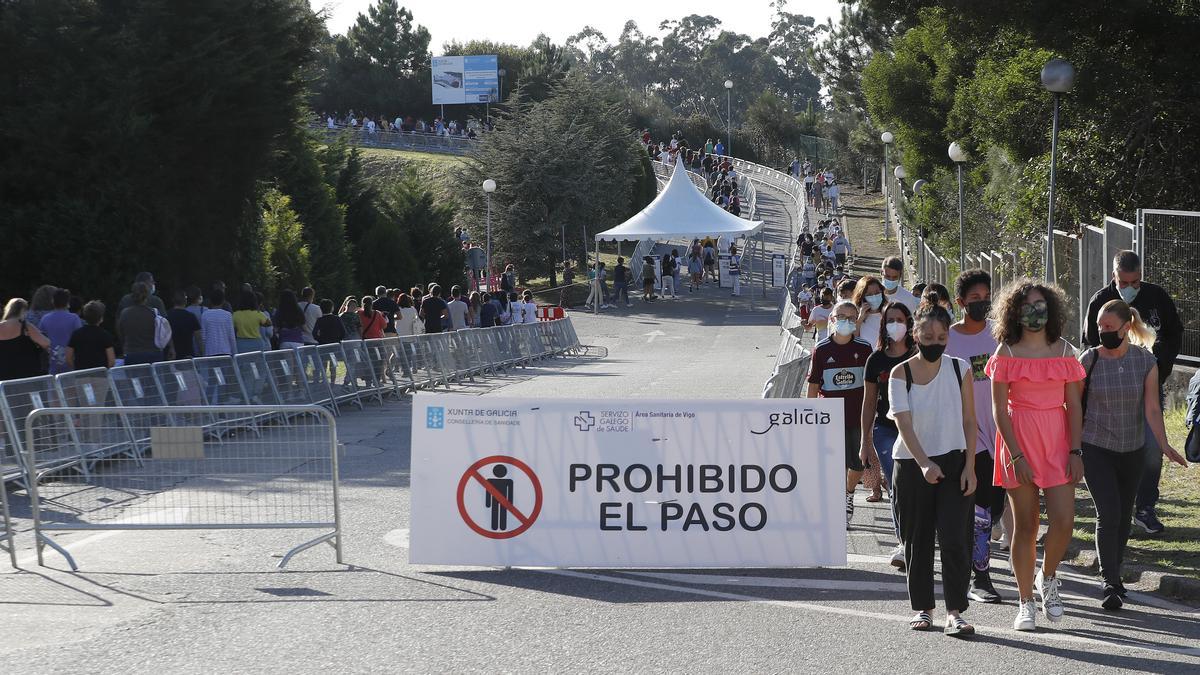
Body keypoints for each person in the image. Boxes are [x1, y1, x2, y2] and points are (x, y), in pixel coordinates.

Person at [986, 279, 1086, 631]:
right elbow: (998, 410)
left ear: (1051, 308)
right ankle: (1025, 601)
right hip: (1018, 442)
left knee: (1064, 521)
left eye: (1041, 304)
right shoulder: (1005, 353)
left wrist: (1076, 450)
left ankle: (1049, 577)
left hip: (1058, 441)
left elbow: (1074, 405)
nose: (1035, 311)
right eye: (1027, 305)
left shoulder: (1065, 351)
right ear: (1014, 312)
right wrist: (1015, 455)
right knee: (1026, 527)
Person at [1080, 299, 1187, 609]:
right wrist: (1073, 448)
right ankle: (1109, 581)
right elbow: (1073, 407)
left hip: (1132, 450)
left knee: (1124, 517)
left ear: (1126, 328)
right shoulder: (1089, 360)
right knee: (1109, 512)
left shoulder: (1145, 362)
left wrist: (1165, 445)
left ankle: (1116, 573)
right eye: (1100, 326)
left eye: (1109, 327)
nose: (1102, 332)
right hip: (1095, 445)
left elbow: (1152, 408)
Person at [889, 293, 977, 636]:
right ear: (915, 336)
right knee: (918, 539)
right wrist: (924, 462)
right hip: (912, 463)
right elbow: (903, 422)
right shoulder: (900, 373)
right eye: (927, 338)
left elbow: (970, 421)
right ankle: (923, 608)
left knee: (956, 537)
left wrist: (970, 465)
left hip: (954, 461)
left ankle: (956, 612)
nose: (935, 344)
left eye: (941, 338)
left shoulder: (960, 369)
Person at [1082, 250, 1183, 535]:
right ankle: (1114, 507)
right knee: (1112, 451)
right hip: (1107, 395)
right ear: (1114, 276)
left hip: (1147, 386)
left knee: (1151, 449)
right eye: (1124, 282)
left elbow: (1174, 332)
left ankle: (1145, 508)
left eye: (1136, 282)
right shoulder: (1100, 301)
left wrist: (1158, 365)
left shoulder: (1156, 297)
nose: (1131, 288)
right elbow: (1090, 344)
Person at [946, 269, 1004, 604]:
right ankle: (979, 577)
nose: (982, 304)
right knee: (981, 507)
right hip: (968, 435)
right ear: (960, 303)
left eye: (986, 298)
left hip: (1001, 432)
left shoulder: (999, 336)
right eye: (974, 300)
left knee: (994, 506)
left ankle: (972, 560)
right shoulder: (949, 339)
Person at [807, 300, 873, 528]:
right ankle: (837, 504)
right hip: (830, 417)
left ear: (856, 321)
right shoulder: (822, 350)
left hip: (858, 416)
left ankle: (848, 493)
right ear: (831, 318)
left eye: (851, 317)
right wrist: (811, 414)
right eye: (841, 316)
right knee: (835, 464)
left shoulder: (864, 349)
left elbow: (871, 385)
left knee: (858, 464)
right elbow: (814, 385)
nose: (845, 321)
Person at [861, 301, 917, 570]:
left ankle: (918, 538)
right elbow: (869, 402)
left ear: (909, 322)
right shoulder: (876, 360)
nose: (896, 324)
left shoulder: (919, 355)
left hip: (918, 428)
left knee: (916, 485)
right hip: (885, 430)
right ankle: (904, 543)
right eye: (890, 320)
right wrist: (864, 441)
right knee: (897, 483)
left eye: (900, 319)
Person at [118, 281, 170, 365]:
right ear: (147, 295)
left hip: (132, 354)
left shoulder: (125, 313)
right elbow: (162, 331)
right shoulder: (154, 313)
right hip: (153, 354)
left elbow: (121, 333)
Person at [0, 298, 50, 380]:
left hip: (4, 374)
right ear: (23, 310)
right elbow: (46, 343)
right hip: (26, 373)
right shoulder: (25, 327)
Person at [38, 288, 82, 375]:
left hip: (52, 362)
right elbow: (80, 339)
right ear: (67, 302)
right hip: (71, 362)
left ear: (53, 301)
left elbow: (41, 339)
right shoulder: (74, 318)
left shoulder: (45, 318)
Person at [66, 301, 115, 370]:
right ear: (101, 318)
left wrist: (76, 369)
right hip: (100, 376)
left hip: (81, 376)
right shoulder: (105, 335)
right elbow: (111, 361)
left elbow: (68, 358)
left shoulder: (76, 334)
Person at [166, 290, 201, 360]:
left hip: (172, 356)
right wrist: (202, 352)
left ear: (173, 300)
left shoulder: (167, 316)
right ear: (185, 301)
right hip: (188, 355)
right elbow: (198, 338)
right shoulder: (191, 317)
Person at [852, 276, 886, 343]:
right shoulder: (854, 316)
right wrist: (860, 319)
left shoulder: (889, 312)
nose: (874, 297)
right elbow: (852, 339)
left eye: (877, 293)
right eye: (869, 294)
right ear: (861, 297)